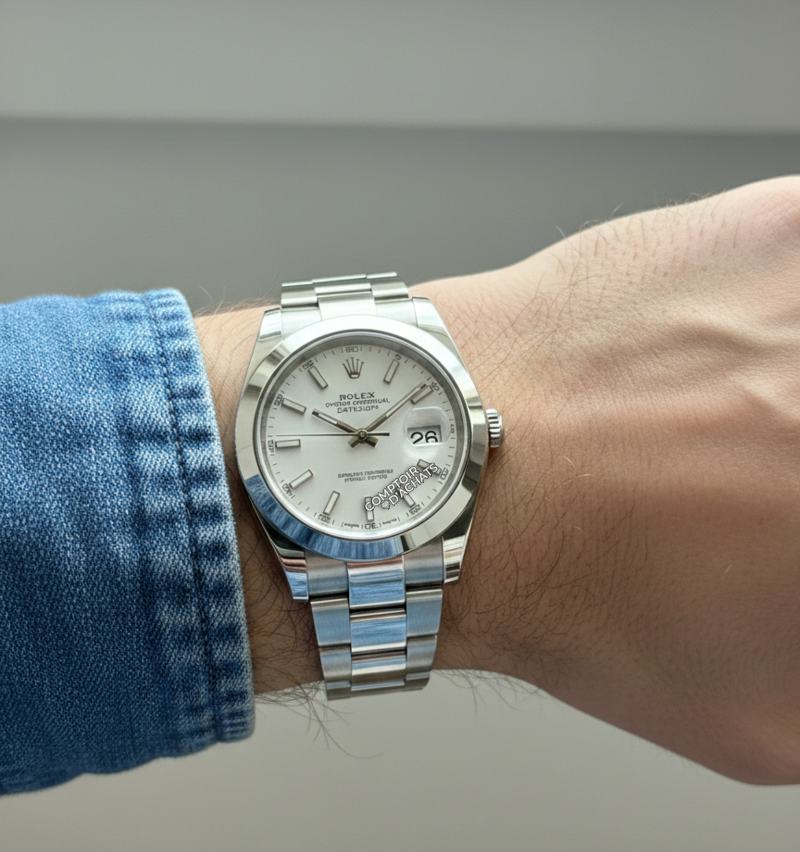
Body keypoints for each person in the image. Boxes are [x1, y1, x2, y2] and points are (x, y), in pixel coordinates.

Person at [2, 176, 799, 795]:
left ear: (483, 430)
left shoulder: (456, 435)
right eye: (355, 436)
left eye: (372, 432)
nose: (361, 439)